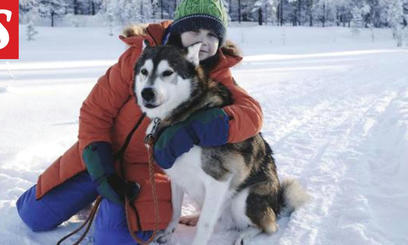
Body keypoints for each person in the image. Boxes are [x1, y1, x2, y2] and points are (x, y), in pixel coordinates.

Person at [16, 0, 263, 244]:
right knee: (32, 216)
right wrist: (100, 168)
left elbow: (251, 114)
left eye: (212, 34)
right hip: (101, 154)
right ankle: (97, 194)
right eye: (194, 30)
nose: (203, 41)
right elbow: (95, 111)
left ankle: (107, 208)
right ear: (178, 29)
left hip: (147, 168)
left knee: (114, 239)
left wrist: (199, 127)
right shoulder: (140, 55)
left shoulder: (217, 71)